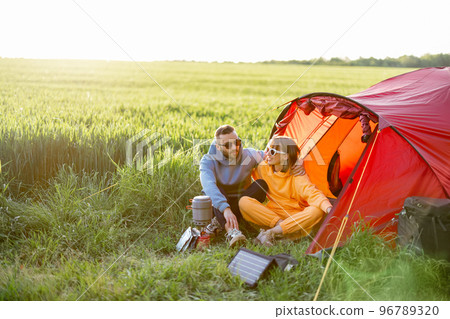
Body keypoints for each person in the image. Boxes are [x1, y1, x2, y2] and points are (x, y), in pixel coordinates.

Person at [199, 125, 304, 247]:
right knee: (216, 189)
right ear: (218, 147)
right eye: (228, 145)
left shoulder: (248, 156)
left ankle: (218, 222)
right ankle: (232, 232)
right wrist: (225, 209)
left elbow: (273, 157)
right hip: (219, 203)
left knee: (261, 184)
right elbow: (209, 186)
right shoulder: (208, 160)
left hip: (241, 200)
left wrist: (296, 161)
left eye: (237, 142)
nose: (235, 148)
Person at [238, 136, 332, 247]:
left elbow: (313, 193)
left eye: (272, 151)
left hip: (293, 216)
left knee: (316, 211)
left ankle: (271, 233)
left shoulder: (297, 175)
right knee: (244, 202)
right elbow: (245, 164)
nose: (267, 154)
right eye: (267, 149)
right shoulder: (263, 168)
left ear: (285, 156)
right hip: (272, 216)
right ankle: (283, 232)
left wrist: (329, 208)